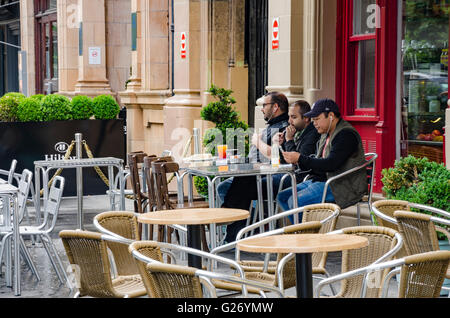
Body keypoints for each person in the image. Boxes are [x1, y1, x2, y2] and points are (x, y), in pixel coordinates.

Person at [276, 98, 367, 218]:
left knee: (295, 201)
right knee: (282, 197)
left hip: (342, 186)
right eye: (313, 120)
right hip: (325, 180)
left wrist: (300, 158)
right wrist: (296, 158)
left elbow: (331, 164)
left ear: (330, 116)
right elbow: (320, 162)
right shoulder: (326, 133)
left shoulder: (346, 135)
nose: (314, 123)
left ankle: (305, 234)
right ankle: (304, 232)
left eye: (317, 119)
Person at [219, 91, 290, 242]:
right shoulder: (271, 126)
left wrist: (257, 143)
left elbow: (275, 157)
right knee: (224, 186)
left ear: (275, 107)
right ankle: (235, 228)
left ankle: (234, 229)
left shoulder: (284, 128)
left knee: (243, 184)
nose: (262, 108)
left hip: (277, 176)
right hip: (259, 174)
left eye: (265, 105)